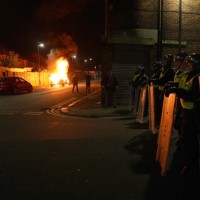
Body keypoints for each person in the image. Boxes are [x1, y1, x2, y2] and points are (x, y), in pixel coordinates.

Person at [165, 53, 200, 176]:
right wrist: (173, 86)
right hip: (186, 111)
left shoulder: (197, 77)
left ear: (196, 65)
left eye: (190, 63)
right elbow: (183, 88)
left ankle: (190, 166)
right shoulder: (190, 75)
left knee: (190, 141)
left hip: (194, 114)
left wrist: (176, 90)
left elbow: (192, 95)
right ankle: (190, 163)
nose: (188, 65)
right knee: (187, 139)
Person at [150, 53, 175, 124]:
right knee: (159, 109)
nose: (163, 61)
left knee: (163, 110)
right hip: (161, 91)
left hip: (166, 94)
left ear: (168, 61)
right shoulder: (164, 70)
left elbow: (162, 81)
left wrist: (152, 80)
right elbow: (159, 79)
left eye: (165, 60)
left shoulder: (170, 71)